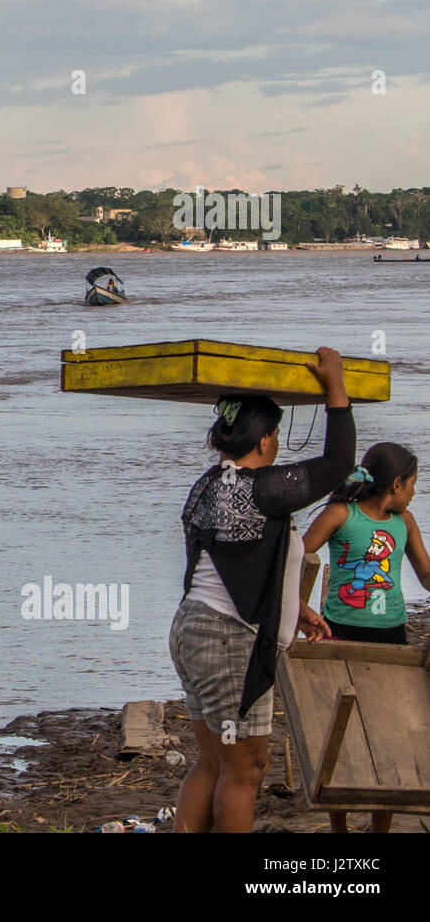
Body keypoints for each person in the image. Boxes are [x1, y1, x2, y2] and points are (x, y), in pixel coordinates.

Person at [169, 348, 354, 834]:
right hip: (229, 640)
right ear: (266, 438)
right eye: (275, 433)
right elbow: (338, 463)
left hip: (193, 628)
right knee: (245, 768)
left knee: (212, 762)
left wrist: (291, 610)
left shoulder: (207, 485)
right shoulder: (262, 488)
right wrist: (335, 384)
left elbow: (236, 560)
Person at [302, 442, 430, 833]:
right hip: (339, 634)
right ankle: (339, 828)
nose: (413, 493)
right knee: (341, 734)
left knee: (388, 733)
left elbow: (426, 575)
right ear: (395, 484)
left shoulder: (404, 522)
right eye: (411, 485)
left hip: (392, 637)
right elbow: (297, 558)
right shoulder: (341, 514)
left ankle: (380, 830)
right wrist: (299, 609)